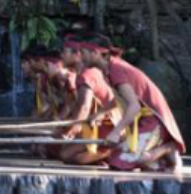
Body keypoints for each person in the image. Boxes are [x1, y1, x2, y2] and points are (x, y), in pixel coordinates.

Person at [78, 34, 185, 172]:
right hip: (143, 121)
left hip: (154, 120)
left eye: (83, 53)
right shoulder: (110, 67)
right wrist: (99, 113)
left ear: (95, 53)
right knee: (117, 157)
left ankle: (169, 147)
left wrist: (116, 132)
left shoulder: (116, 69)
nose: (80, 56)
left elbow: (133, 106)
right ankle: (162, 158)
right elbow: (120, 99)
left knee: (122, 161)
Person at [58, 35, 119, 166]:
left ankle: (113, 152)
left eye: (64, 51)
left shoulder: (88, 74)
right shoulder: (83, 74)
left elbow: (84, 107)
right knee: (63, 153)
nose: (61, 55)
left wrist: (74, 128)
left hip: (106, 126)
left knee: (67, 155)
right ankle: (101, 155)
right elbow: (77, 107)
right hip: (93, 124)